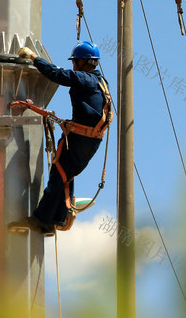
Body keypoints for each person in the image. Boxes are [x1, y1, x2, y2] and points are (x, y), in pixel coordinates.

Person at [11, 41, 112, 235]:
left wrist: (33, 58)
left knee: (58, 175)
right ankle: (56, 219)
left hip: (81, 139)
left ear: (84, 62)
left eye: (76, 62)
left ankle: (41, 219)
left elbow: (57, 74)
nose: (74, 65)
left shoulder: (86, 79)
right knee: (65, 175)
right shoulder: (101, 82)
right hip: (90, 140)